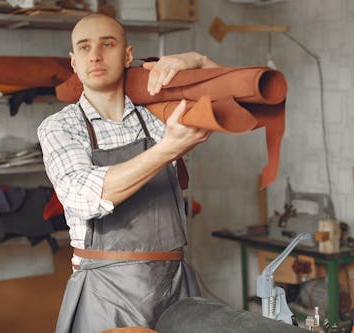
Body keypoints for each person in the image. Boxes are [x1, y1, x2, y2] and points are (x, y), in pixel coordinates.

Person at [38, 13, 220, 333]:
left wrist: (195, 58)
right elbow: (83, 197)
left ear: (127, 55)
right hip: (104, 294)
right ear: (74, 62)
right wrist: (168, 149)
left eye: (107, 44)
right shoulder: (60, 127)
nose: (95, 55)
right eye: (84, 47)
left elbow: (234, 99)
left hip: (175, 287)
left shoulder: (155, 119)